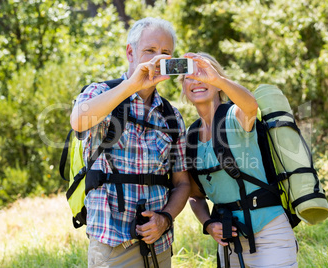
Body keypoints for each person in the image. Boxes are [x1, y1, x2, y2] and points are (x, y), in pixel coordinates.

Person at [70, 17, 190, 268]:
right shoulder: (100, 92)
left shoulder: (172, 116)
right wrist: (132, 84)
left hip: (159, 245)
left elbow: (182, 184)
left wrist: (165, 219)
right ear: (130, 52)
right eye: (150, 51)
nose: (158, 59)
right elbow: (78, 121)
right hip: (112, 244)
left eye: (166, 53)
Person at [180, 52, 298, 267]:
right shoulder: (190, 137)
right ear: (183, 87)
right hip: (230, 242)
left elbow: (251, 106)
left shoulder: (234, 116)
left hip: (270, 233)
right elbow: (195, 196)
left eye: (203, 73)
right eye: (189, 76)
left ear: (217, 83)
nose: (197, 80)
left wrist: (218, 79)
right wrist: (208, 224)